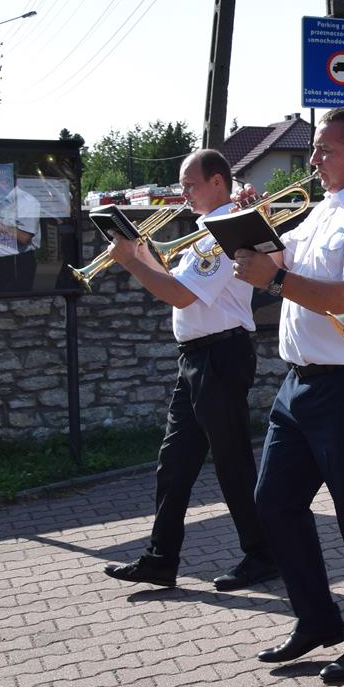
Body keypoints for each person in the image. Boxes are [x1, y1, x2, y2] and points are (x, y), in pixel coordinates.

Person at [232, 108, 344, 684]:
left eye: (324, 150)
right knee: (275, 503)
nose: (313, 160)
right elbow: (286, 261)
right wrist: (251, 236)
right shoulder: (325, 211)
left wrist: (277, 280)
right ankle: (317, 619)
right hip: (302, 382)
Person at [102, 149, 274, 591]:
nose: (184, 194)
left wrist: (129, 262)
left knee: (232, 463)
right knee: (174, 463)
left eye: (190, 185)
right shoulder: (201, 233)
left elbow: (181, 296)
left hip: (221, 355)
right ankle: (161, 559)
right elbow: (175, 280)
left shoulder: (225, 233)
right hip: (197, 358)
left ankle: (262, 554)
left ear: (218, 182)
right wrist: (141, 253)